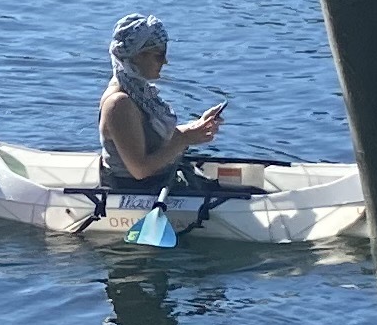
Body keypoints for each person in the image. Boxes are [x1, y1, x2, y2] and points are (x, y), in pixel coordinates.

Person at [97, 15, 261, 197]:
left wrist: (195, 127)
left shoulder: (136, 89)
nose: (165, 61)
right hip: (139, 192)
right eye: (159, 55)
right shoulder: (119, 104)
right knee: (251, 194)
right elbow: (140, 170)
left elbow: (150, 137)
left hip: (163, 182)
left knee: (251, 190)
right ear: (137, 56)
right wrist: (183, 139)